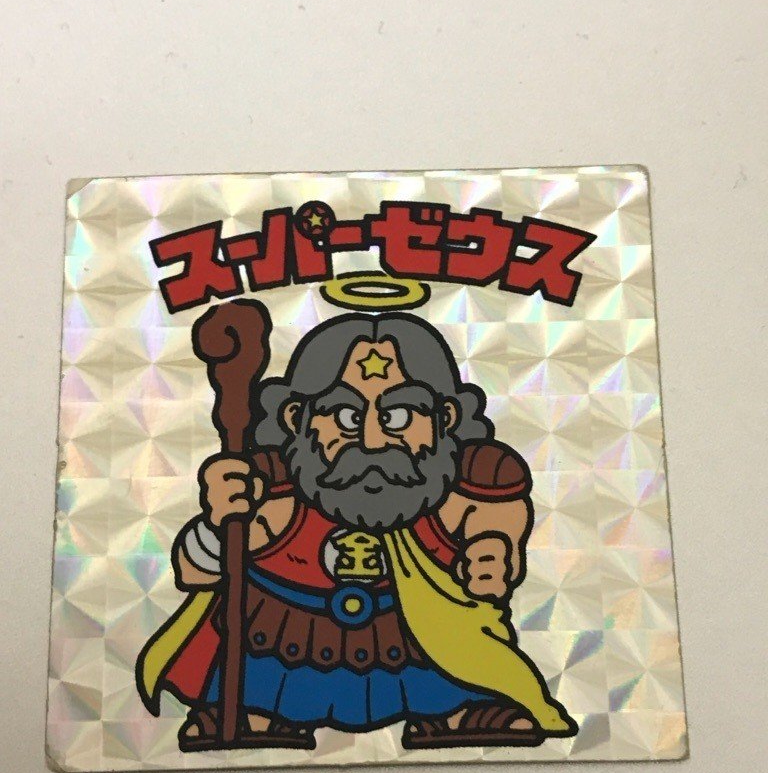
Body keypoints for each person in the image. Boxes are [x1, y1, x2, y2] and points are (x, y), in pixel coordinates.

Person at [137, 313, 576, 750]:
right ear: (296, 417)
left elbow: (495, 524)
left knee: (454, 663)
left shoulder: (465, 484)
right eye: (344, 415)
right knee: (261, 683)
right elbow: (197, 572)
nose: (371, 439)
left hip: (418, 649)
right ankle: (259, 711)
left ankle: (455, 709)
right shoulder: (271, 491)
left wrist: (492, 552)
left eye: (399, 415)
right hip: (285, 643)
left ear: (444, 417)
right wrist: (220, 522)